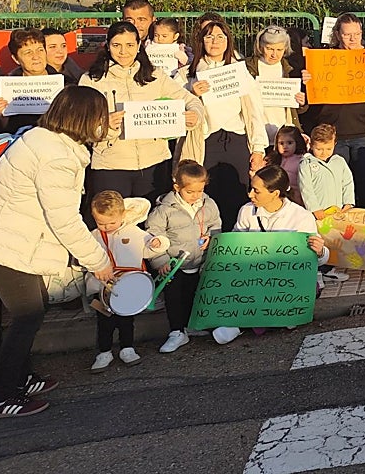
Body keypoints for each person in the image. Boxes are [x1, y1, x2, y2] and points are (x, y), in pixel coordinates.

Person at [0, 86, 115, 417]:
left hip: (6, 237)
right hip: (2, 244)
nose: (103, 123)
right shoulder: (57, 157)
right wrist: (98, 262)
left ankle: (22, 377)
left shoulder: (45, 139)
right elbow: (64, 220)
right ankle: (4, 396)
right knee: (28, 315)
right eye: (100, 116)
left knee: (36, 307)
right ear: (85, 119)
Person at [79, 20, 204, 205]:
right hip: (110, 167)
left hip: (154, 164)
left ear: (139, 45)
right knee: (112, 226)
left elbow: (191, 101)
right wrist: (106, 127)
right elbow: (82, 127)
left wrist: (195, 115)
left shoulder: (155, 75)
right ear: (107, 46)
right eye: (116, 45)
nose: (123, 51)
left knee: (153, 224)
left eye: (130, 45)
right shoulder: (91, 80)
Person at [211, 165, 328, 345]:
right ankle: (260, 321)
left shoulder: (301, 216)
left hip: (289, 279)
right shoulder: (246, 211)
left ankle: (243, 325)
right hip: (255, 275)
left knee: (281, 292)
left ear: (274, 193)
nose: (250, 194)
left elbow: (316, 260)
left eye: (256, 191)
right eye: (251, 189)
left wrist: (319, 250)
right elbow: (237, 244)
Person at [302, 13, 365, 209]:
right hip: (334, 135)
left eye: (357, 34)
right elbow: (308, 100)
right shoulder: (322, 60)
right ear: (337, 34)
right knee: (334, 190)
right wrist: (307, 81)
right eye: (347, 35)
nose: (353, 39)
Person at [181, 19, 269, 229]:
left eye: (221, 36)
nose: (215, 41)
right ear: (201, 40)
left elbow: (254, 111)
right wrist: (191, 94)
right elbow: (174, 110)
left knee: (237, 197)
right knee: (207, 198)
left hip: (236, 140)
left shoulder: (239, 71)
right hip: (205, 142)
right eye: (209, 36)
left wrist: (258, 149)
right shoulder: (186, 75)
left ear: (228, 41)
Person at [146, 160, 222, 355]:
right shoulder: (164, 209)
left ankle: (191, 325)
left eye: (200, 191)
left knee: (193, 294)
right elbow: (153, 236)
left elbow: (216, 225)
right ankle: (176, 331)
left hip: (199, 261)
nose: (196, 196)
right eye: (190, 192)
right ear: (177, 187)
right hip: (173, 263)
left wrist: (211, 238)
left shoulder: (208, 203)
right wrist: (160, 260)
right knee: (174, 298)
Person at [87, 191, 165, 373]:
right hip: (102, 288)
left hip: (128, 285)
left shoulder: (134, 232)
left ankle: (127, 348)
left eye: (111, 223)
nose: (106, 227)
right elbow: (84, 258)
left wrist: (157, 243)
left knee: (126, 319)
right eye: (101, 223)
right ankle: (104, 352)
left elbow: (149, 247)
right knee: (104, 321)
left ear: (123, 215)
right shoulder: (92, 235)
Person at [0, 28, 74, 139]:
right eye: (28, 52)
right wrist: (2, 118)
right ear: (16, 59)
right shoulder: (2, 89)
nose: (36, 56)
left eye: (40, 50)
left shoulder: (68, 85)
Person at [246, 25, 308, 145]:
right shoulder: (247, 68)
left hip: (285, 138)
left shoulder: (292, 69)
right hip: (256, 137)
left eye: (279, 50)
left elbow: (300, 109)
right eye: (269, 49)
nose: (274, 54)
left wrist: (302, 102)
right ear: (260, 47)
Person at [298, 123, 356, 219]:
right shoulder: (306, 163)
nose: (324, 152)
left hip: (339, 210)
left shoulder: (339, 161)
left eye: (329, 148)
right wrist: (314, 208)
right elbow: (306, 188)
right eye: (319, 149)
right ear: (311, 145)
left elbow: (347, 183)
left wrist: (348, 203)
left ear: (335, 144)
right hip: (318, 212)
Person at [267, 124, 308, 195]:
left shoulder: (301, 160)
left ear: (297, 143)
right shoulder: (273, 159)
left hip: (297, 194)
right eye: (281, 143)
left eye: (289, 143)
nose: (285, 146)